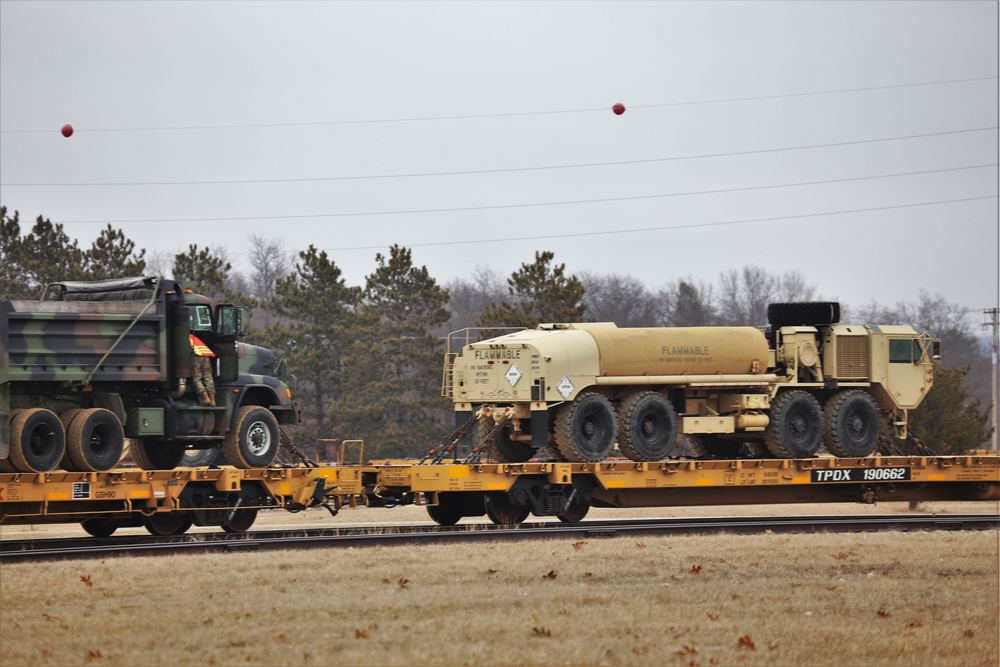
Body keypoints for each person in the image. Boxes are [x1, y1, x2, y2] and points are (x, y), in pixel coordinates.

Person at [189, 333, 217, 406]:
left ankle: (206, 398)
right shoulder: (192, 337)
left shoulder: (183, 338)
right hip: (206, 355)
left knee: (197, 378)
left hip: (196, 356)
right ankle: (213, 400)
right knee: (208, 377)